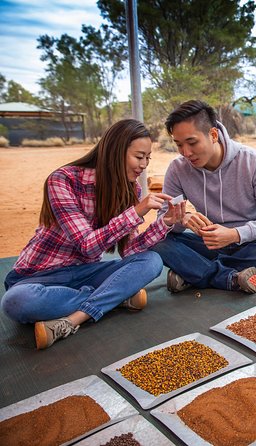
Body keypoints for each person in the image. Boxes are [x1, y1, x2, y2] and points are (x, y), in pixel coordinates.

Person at [2, 119, 185, 349]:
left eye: (147, 158)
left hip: (86, 273)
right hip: (38, 277)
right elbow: (87, 245)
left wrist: (165, 223)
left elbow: (129, 251)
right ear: (115, 152)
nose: (143, 165)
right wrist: (137, 211)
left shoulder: (132, 190)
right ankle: (114, 297)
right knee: (17, 302)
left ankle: (78, 315)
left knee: (152, 261)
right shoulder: (63, 180)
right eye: (139, 157)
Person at [151, 100, 256, 294]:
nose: (186, 153)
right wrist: (180, 219)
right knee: (156, 241)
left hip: (249, 242)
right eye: (179, 145)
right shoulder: (177, 169)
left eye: (192, 143)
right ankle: (229, 277)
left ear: (213, 135)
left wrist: (235, 234)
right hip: (208, 242)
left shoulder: (253, 162)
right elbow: (162, 222)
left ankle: (194, 272)